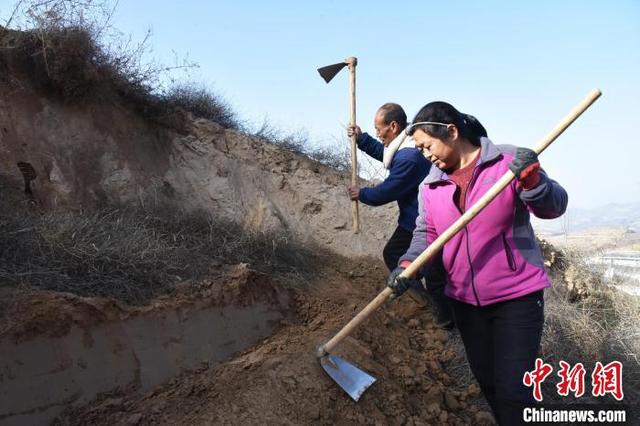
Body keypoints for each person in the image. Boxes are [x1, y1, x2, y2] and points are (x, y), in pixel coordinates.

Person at [387, 101, 568, 425]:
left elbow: (555, 205)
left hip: (516, 296)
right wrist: (406, 265)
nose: (425, 154)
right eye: (420, 149)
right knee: (488, 384)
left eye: (427, 146)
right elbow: (426, 232)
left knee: (515, 390)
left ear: (452, 132)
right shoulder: (430, 185)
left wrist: (532, 182)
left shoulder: (508, 161)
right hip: (465, 301)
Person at [347, 103, 453, 329]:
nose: (377, 133)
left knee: (432, 274)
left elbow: (387, 191)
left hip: (424, 222)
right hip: (414, 218)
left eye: (379, 128)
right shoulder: (404, 146)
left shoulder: (409, 158)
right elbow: (387, 155)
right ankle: (426, 300)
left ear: (393, 126)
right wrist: (362, 139)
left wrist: (362, 193)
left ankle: (443, 320)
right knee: (399, 255)